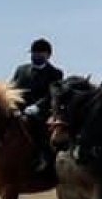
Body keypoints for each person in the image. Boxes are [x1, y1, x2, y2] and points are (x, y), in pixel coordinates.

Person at [10, 38, 64, 171]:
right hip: (18, 108)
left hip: (41, 111)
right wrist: (13, 106)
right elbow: (12, 89)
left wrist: (37, 107)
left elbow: (51, 94)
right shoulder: (21, 70)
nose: (36, 56)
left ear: (48, 55)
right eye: (34, 53)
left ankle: (44, 157)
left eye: (40, 53)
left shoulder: (56, 73)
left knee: (39, 126)